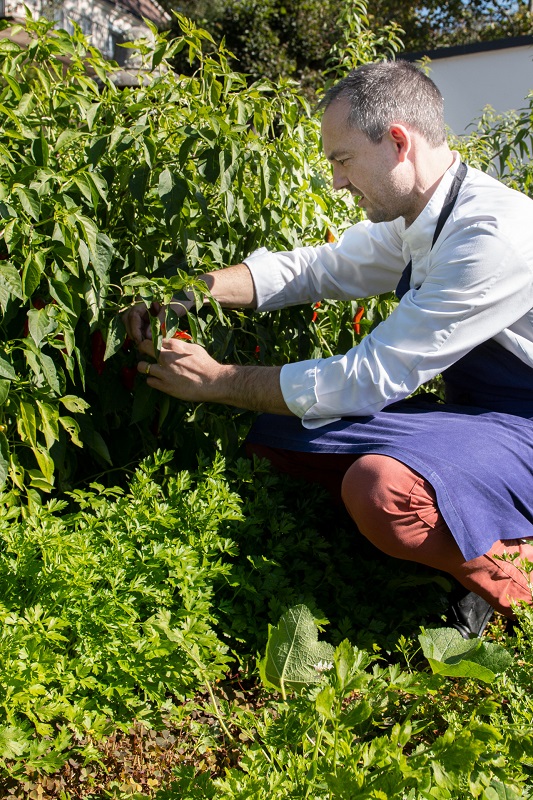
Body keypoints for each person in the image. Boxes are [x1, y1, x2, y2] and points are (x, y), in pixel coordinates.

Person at [124, 60, 533, 636]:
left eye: (342, 161)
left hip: (524, 420)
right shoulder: (424, 216)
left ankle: (516, 578)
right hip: (487, 416)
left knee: (382, 490)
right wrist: (192, 293)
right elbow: (321, 268)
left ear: (397, 142)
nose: (337, 182)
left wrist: (218, 382)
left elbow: (368, 378)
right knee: (280, 435)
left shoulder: (491, 237)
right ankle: (478, 537)